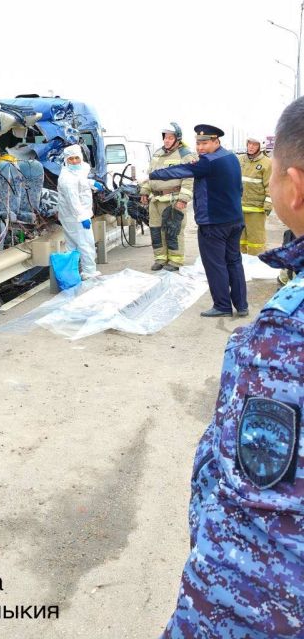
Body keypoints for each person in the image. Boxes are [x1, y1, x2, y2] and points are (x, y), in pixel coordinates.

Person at [160, 98, 304, 638]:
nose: (200, 144)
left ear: (295, 185)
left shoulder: (282, 343)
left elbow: (249, 534)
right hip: (227, 220)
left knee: (221, 268)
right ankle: (233, 299)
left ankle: (226, 303)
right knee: (233, 268)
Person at [149, 124, 248, 317]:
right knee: (234, 262)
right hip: (234, 220)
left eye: (205, 143)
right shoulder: (231, 158)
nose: (200, 148)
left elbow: (180, 171)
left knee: (215, 264)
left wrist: (154, 174)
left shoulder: (209, 162)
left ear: (216, 141)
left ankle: (222, 306)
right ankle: (242, 305)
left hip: (213, 223)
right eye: (198, 143)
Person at [139, 123, 197, 271]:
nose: (167, 140)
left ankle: (175, 261)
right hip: (156, 200)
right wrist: (145, 191)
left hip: (173, 199)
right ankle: (160, 259)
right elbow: (150, 175)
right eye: (165, 137)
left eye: (170, 137)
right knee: (156, 230)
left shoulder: (186, 155)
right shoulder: (158, 153)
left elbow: (189, 179)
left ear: (177, 138)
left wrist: (183, 199)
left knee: (173, 231)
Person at [56, 144, 103, 279]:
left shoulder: (76, 171)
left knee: (73, 245)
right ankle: (89, 272)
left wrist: (91, 183)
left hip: (72, 216)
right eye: (71, 159)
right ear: (66, 160)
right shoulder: (67, 179)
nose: (75, 161)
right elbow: (73, 200)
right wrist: (82, 217)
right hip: (75, 217)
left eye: (77, 158)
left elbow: (80, 181)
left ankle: (73, 274)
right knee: (85, 243)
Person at [239, 136, 272, 254]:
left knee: (256, 241)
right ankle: (240, 264)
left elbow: (270, 186)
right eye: (249, 144)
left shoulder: (267, 163)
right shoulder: (240, 160)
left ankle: (256, 264)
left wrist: (268, 204)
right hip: (238, 207)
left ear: (260, 146)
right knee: (239, 239)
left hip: (256, 209)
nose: (251, 147)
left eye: (255, 144)